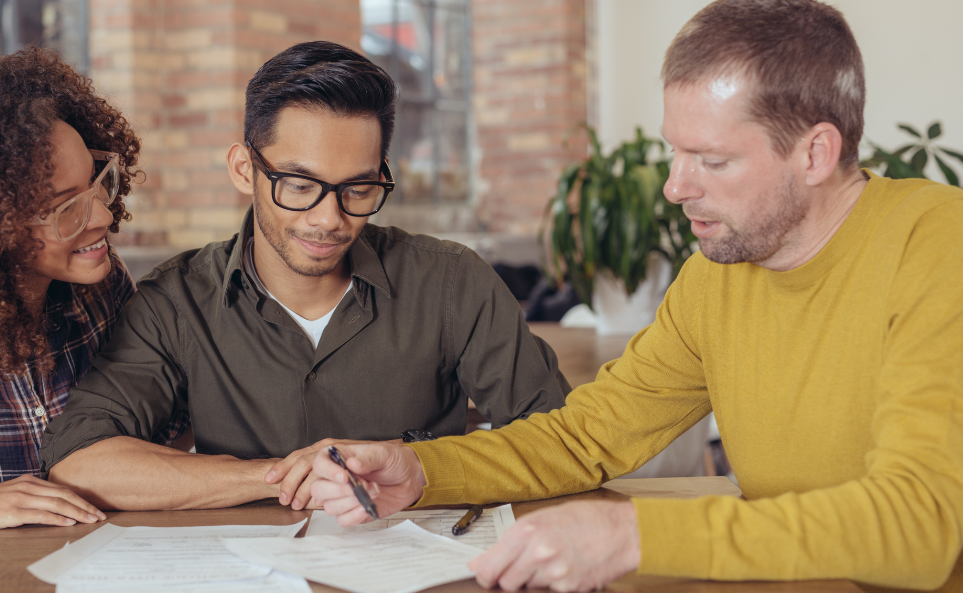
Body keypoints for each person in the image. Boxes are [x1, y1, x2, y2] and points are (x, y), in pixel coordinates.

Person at [308, 1, 963, 592]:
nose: (675, 187)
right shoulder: (717, 275)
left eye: (713, 160)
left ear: (815, 153)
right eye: (675, 151)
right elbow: (586, 437)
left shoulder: (938, 238)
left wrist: (634, 533)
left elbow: (922, 521)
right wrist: (421, 469)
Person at [38, 41, 569, 512]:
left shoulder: (451, 282)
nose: (329, 219)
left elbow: (561, 439)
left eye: (358, 189)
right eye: (299, 185)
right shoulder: (175, 302)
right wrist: (281, 476)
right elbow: (79, 459)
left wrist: (416, 463)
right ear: (244, 169)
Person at [0, 47, 188, 528]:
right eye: (66, 207)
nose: (103, 215)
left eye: (97, 181)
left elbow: (168, 428)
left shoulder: (101, 288)